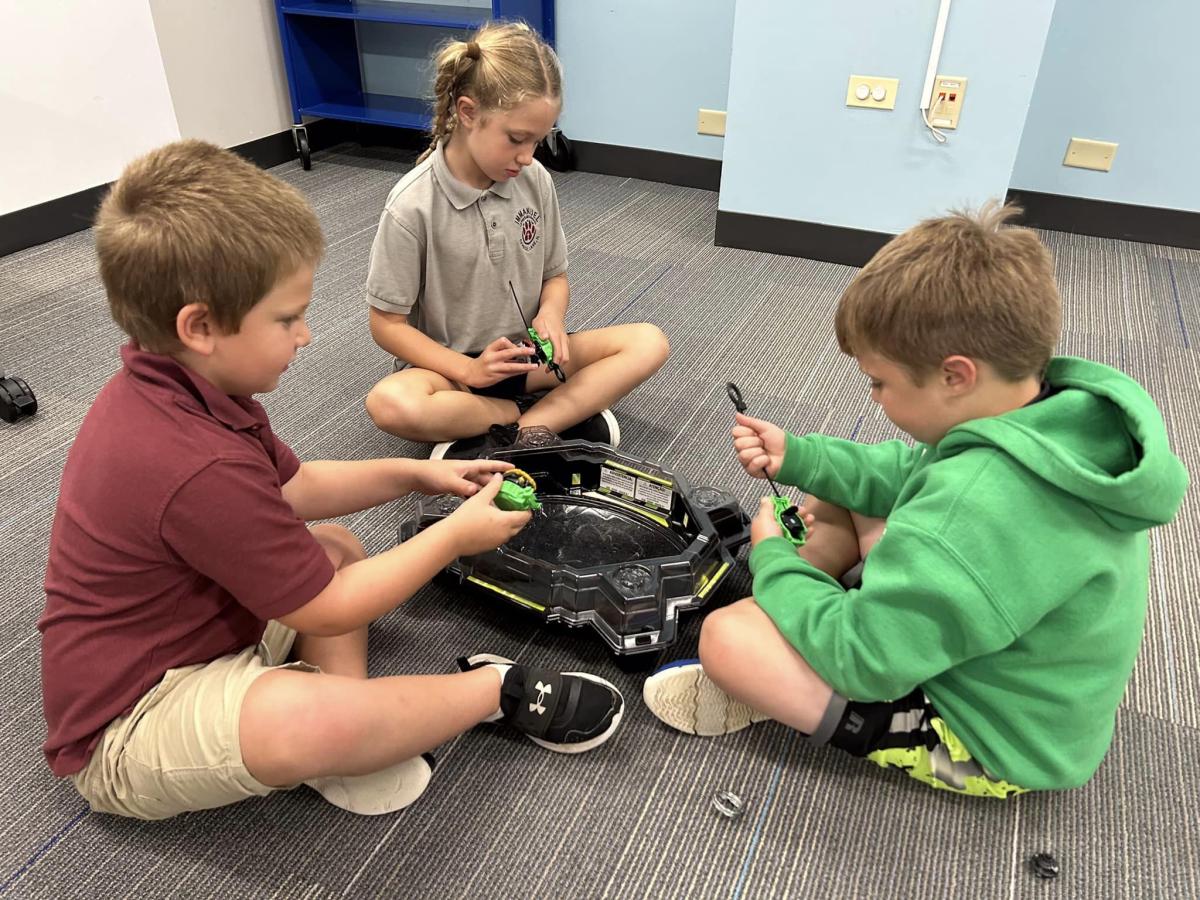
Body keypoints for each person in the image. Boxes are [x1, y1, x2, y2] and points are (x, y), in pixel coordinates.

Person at [39, 140, 625, 821]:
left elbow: (295, 489)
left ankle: (345, 738)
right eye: (287, 319)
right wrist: (456, 536)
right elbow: (332, 610)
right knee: (312, 686)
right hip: (129, 722)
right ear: (199, 327)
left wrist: (419, 476)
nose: (307, 336)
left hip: (205, 631)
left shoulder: (182, 389)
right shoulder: (192, 459)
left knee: (336, 548)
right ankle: (491, 689)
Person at [643, 202, 1188, 796]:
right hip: (1027, 677)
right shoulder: (1044, 414)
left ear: (956, 375)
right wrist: (797, 455)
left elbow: (864, 660)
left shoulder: (974, 509)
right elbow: (906, 469)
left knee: (729, 639)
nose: (874, 398)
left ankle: (823, 691)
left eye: (880, 382)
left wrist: (770, 558)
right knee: (836, 494)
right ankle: (818, 611)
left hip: (994, 741)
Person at [362, 21, 669, 459]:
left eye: (538, 140)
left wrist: (551, 315)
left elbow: (555, 276)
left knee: (648, 342)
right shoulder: (411, 206)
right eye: (516, 139)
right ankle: (546, 418)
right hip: (451, 372)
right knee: (390, 403)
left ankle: (514, 435)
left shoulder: (534, 179)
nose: (528, 156)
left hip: (527, 358)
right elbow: (385, 324)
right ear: (468, 113)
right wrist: (468, 368)